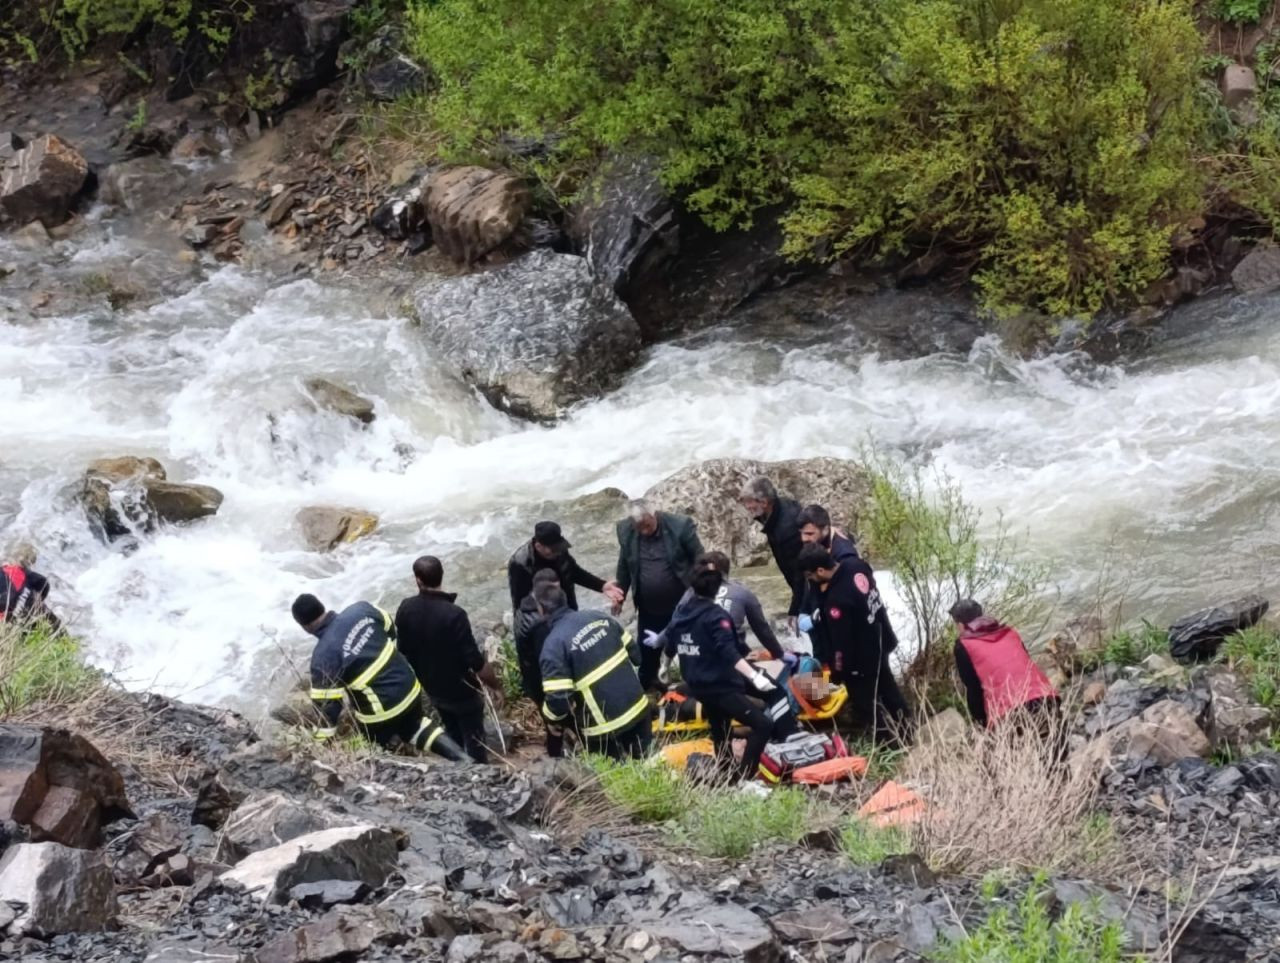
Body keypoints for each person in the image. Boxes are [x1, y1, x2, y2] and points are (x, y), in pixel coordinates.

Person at [658, 566, 797, 779]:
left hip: (697, 685)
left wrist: (665, 667)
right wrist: (755, 676)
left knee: (720, 729)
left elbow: (670, 642)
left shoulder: (681, 613)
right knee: (763, 724)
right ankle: (747, 776)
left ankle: (728, 774)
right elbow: (730, 652)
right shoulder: (716, 616)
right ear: (717, 589)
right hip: (721, 685)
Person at [291, 593, 467, 760]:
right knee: (415, 726)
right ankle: (464, 759)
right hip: (409, 686)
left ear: (304, 627)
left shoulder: (323, 656)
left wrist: (320, 744)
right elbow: (390, 627)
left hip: (381, 712)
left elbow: (328, 709)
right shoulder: (361, 610)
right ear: (322, 607)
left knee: (372, 748)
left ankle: (392, 770)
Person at [395, 556, 502, 763]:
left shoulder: (405, 608)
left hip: (433, 688)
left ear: (418, 580)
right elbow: (475, 661)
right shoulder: (454, 614)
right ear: (442, 575)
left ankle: (460, 770)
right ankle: (481, 775)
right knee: (475, 741)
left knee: (453, 734)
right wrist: (495, 686)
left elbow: (403, 650)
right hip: (462, 690)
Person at [797, 544, 909, 742]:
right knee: (890, 690)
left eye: (811, 576)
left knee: (867, 705)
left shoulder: (836, 600)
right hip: (880, 639)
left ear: (821, 570)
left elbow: (842, 645)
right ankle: (908, 729)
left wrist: (838, 673)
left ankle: (887, 743)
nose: (812, 582)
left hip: (860, 660)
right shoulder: (856, 565)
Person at [537, 582, 650, 760]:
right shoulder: (599, 617)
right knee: (648, 761)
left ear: (541, 610)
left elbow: (559, 701)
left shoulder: (553, 647)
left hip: (604, 727)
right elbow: (636, 656)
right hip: (638, 707)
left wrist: (550, 718)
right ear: (565, 600)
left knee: (613, 778)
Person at [613, 500, 704, 690]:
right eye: (639, 527)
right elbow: (624, 565)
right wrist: (619, 595)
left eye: (647, 525)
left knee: (690, 647)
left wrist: (701, 590)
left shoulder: (679, 526)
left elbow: (699, 558)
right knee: (647, 652)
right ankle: (648, 687)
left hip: (682, 605)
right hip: (649, 607)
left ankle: (695, 687)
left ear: (655, 515)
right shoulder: (626, 531)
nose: (644, 530)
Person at [649, 551, 793, 664]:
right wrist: (779, 654)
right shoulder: (742, 592)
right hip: (731, 658)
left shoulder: (691, 593)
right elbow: (762, 629)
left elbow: (675, 622)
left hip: (696, 659)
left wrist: (659, 640)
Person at [949, 599, 1059, 728]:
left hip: (1009, 715)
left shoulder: (963, 646)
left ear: (961, 625)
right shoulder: (1010, 632)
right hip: (1047, 698)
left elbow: (974, 689)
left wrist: (982, 724)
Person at [507, 521, 622, 614]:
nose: (558, 553)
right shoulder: (520, 564)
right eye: (553, 550)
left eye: (559, 548)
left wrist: (601, 586)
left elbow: (574, 572)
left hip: (568, 609)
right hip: (543, 621)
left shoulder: (560, 550)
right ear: (538, 546)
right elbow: (520, 605)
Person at [739, 477, 807, 630]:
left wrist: (795, 608)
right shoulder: (776, 509)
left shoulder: (786, 529)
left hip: (808, 581)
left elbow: (800, 572)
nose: (746, 506)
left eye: (749, 502)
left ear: (764, 502)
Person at [515, 569, 570, 756]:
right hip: (544, 682)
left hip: (533, 678)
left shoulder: (523, 609)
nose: (557, 595)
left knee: (554, 724)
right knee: (556, 724)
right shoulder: (539, 623)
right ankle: (557, 759)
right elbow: (548, 658)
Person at [0, 560, 58, 630]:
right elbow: (43, 582)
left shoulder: (10, 570)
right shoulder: (10, 570)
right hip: (42, 615)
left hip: (20, 625)